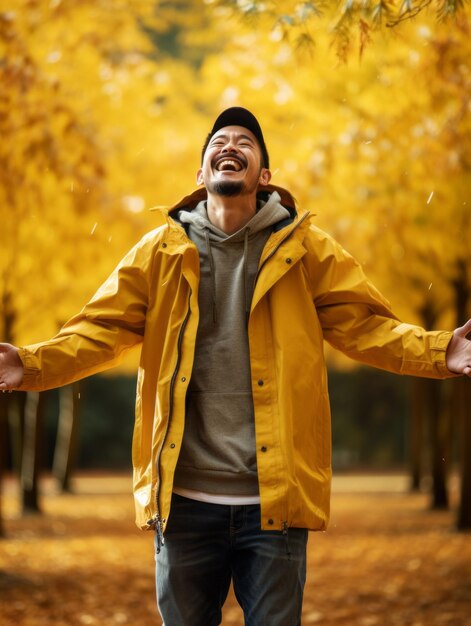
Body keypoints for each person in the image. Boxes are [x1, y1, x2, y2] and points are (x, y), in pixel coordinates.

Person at [1, 107, 471, 625]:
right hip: (182, 501)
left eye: (245, 142)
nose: (231, 145)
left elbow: (365, 326)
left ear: (264, 176)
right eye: (219, 140)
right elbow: (99, 331)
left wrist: (440, 351)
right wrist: (30, 365)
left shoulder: (306, 250)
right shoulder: (158, 253)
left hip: (273, 502)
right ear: (201, 173)